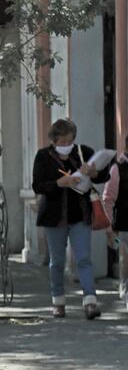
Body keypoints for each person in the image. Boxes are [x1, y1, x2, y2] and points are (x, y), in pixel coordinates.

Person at [32, 118, 109, 320]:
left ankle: (90, 302)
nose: (65, 145)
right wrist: (60, 182)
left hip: (80, 215)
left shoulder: (83, 152)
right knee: (57, 262)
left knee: (83, 259)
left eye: (69, 141)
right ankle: (58, 302)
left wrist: (94, 172)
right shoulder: (43, 156)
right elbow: (38, 185)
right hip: (53, 217)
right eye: (61, 142)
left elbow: (103, 177)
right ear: (54, 140)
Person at [102, 139, 128, 309]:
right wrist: (109, 229)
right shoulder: (117, 169)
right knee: (125, 257)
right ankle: (125, 291)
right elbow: (108, 200)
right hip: (124, 226)